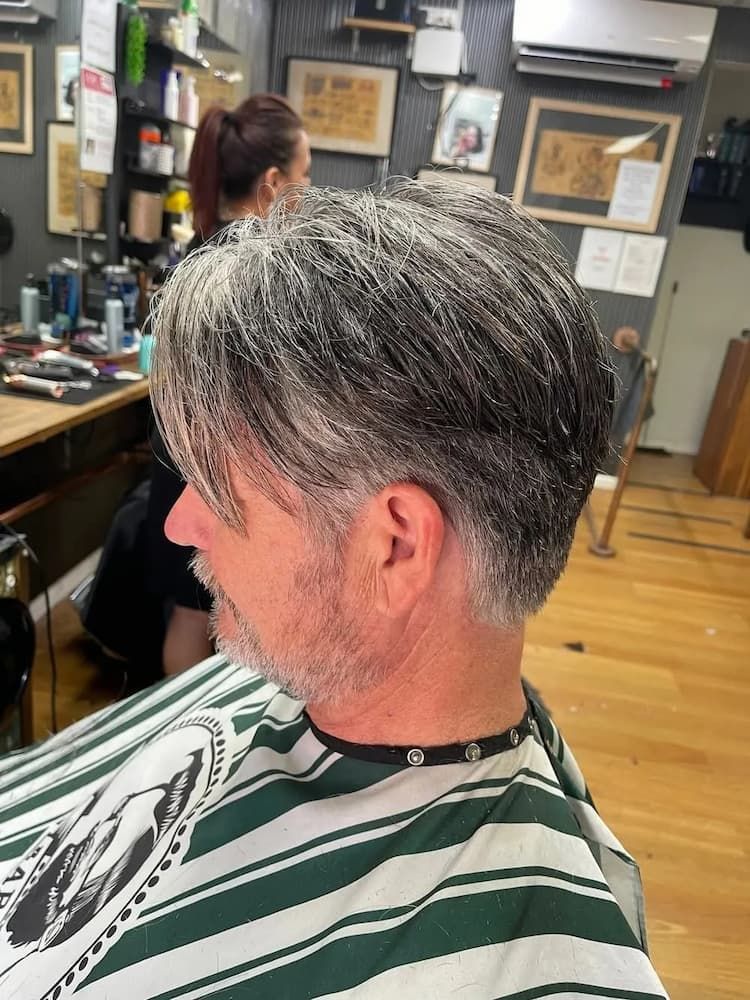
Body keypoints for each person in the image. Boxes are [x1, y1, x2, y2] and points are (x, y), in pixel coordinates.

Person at [0, 180, 667, 999]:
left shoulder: (538, 967)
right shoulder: (290, 660)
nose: (178, 526)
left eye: (219, 487)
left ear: (393, 547)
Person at [147, 93, 311, 676]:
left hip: (186, 458)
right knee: (202, 616)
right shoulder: (253, 271)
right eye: (303, 176)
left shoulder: (198, 255)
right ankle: (194, 746)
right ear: (271, 182)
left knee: (194, 615)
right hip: (211, 468)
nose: (306, 190)